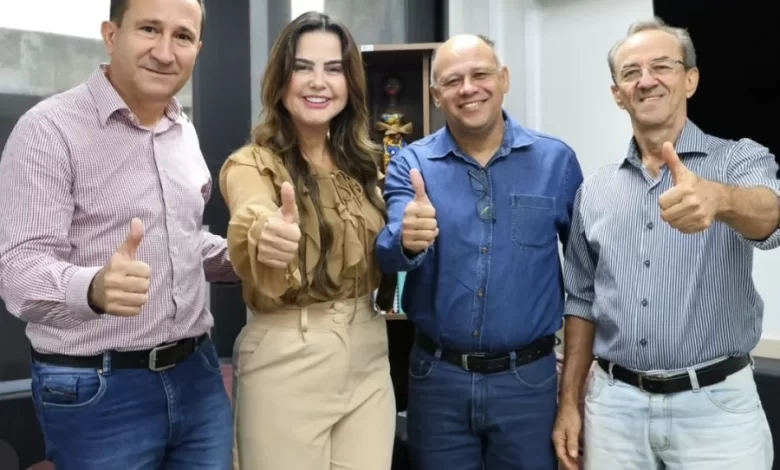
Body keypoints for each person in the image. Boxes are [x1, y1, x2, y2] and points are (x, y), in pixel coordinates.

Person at [0, 0, 238, 469]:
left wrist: (247, 256)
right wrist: (92, 288)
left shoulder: (182, 129)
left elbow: (185, 241)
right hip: (99, 391)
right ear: (111, 35)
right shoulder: (48, 129)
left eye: (182, 36)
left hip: (199, 376)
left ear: (197, 48)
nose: (165, 52)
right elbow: (18, 268)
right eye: (149, 29)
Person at [554, 17, 780, 470]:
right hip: (613, 410)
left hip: (715, 411)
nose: (646, 80)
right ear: (618, 94)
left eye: (661, 66)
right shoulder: (594, 190)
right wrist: (569, 402)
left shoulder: (738, 159)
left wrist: (720, 199)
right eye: (631, 72)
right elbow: (581, 302)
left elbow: (770, 215)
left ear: (690, 80)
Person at [376, 34, 584, 470]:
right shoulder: (412, 165)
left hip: (528, 382)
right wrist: (407, 240)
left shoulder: (556, 161)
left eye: (480, 74)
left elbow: (586, 281)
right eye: (453, 81)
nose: (468, 88)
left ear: (504, 79)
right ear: (436, 95)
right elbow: (388, 254)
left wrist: (574, 391)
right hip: (438, 379)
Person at [219, 11, 397, 470]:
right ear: (280, 81)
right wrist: (267, 237)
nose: (319, 82)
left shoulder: (363, 166)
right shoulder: (251, 163)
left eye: (333, 69)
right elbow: (251, 213)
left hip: (369, 350)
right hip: (288, 354)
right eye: (303, 67)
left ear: (350, 83)